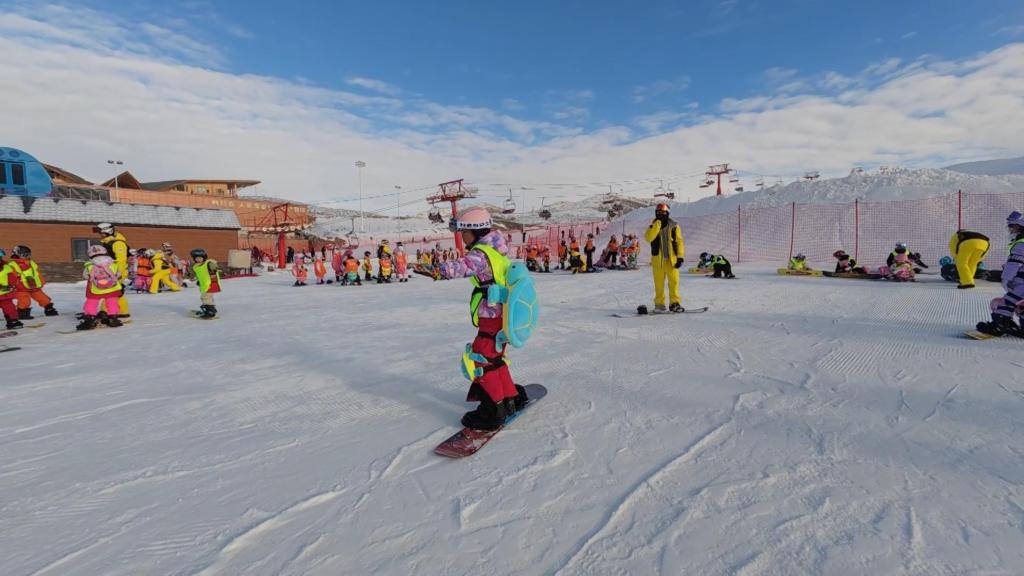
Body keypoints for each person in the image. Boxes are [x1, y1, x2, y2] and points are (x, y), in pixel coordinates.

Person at [438, 206, 527, 430]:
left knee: (482, 359)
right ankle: (509, 398)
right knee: (495, 358)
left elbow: (464, 266)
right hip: (502, 314)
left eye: (463, 232)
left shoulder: (481, 253)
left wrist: (437, 269)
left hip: (492, 315)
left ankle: (493, 410)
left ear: (475, 231)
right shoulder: (495, 249)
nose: (462, 236)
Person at [976, 211, 1024, 336]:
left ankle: (998, 327)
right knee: (1021, 305)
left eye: (1012, 226)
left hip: (1021, 283)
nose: (1010, 229)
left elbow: (1014, 264)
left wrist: (1006, 278)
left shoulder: (1021, 244)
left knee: (1007, 302)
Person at [644, 203, 685, 312]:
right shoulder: (653, 226)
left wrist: (680, 257)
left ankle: (674, 303)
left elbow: (679, 242)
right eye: (658, 212)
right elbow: (648, 238)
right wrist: (657, 224)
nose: (660, 214)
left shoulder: (674, 226)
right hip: (658, 261)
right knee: (659, 284)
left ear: (667, 213)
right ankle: (659, 304)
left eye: (663, 212)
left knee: (674, 283)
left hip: (672, 261)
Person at [77, 244, 124, 330]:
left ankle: (90, 319)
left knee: (92, 302)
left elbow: (85, 276)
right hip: (112, 289)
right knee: (112, 302)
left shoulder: (89, 265)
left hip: (95, 289)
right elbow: (119, 275)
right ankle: (113, 318)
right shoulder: (113, 264)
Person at [9, 245, 58, 318]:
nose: (27, 256)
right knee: (24, 300)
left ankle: (49, 308)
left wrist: (41, 281)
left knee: (43, 298)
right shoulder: (12, 265)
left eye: (28, 254)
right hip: (21, 287)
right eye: (24, 254)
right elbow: (10, 277)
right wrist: (14, 285)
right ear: (17, 254)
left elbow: (37, 273)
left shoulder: (31, 263)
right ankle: (22, 312)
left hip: (33, 285)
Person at [95, 222, 131, 317]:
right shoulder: (107, 243)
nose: (100, 235)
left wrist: (118, 274)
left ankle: (120, 312)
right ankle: (107, 311)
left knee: (116, 293)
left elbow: (121, 261)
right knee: (111, 292)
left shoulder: (118, 243)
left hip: (117, 272)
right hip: (109, 272)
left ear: (108, 231)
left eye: (102, 233)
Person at [190, 248, 221, 318]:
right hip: (205, 285)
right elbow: (200, 275)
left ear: (204, 258)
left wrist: (214, 270)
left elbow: (214, 267)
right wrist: (197, 280)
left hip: (211, 284)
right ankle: (212, 309)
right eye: (196, 258)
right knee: (208, 297)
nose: (198, 259)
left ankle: (210, 312)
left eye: (200, 258)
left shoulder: (208, 263)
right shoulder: (196, 266)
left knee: (205, 297)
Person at [0, 249, 23, 329]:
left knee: (9, 308)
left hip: (4, 294)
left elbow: (12, 277)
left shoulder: (6, 267)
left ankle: (13, 321)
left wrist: (11, 285)